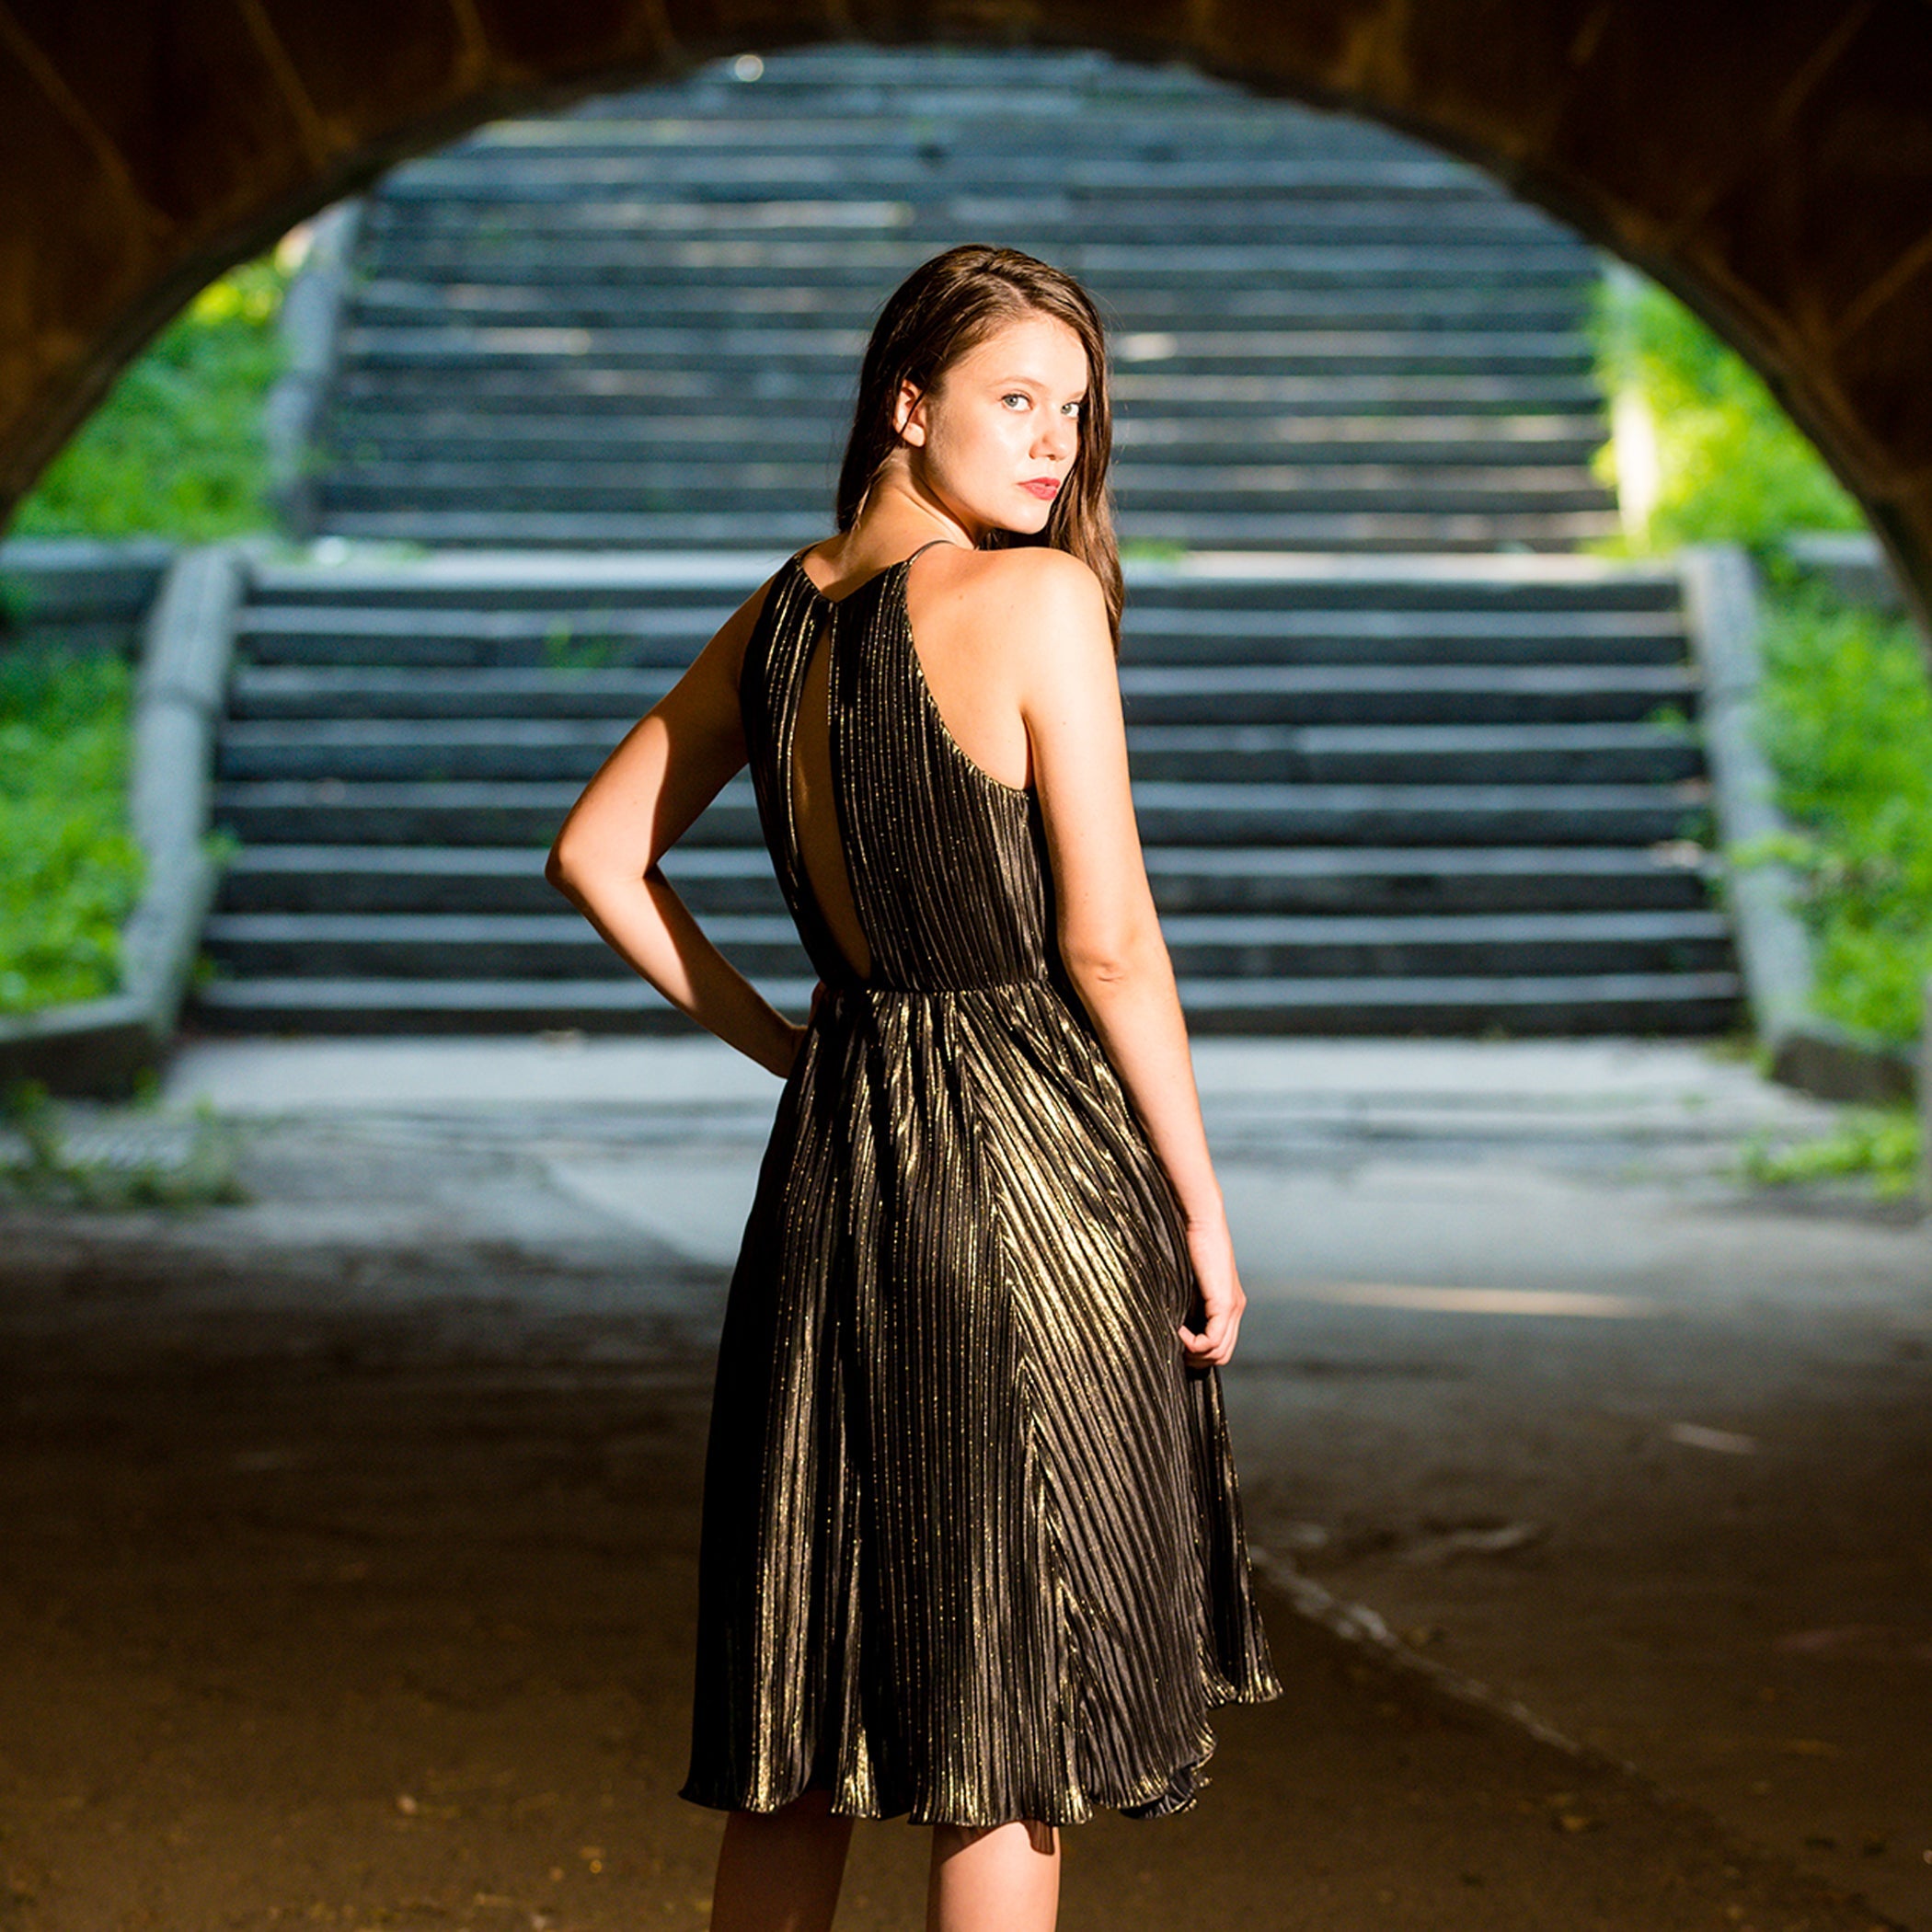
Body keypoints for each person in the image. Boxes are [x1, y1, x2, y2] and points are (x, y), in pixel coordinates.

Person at [545, 243, 1282, 1932]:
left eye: (1075, 416)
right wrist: (1199, 1200)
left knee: (805, 1709)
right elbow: (1109, 950)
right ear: (907, 403)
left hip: (832, 1172)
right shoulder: (1034, 604)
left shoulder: (781, 616)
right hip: (1030, 1180)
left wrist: (790, 1041)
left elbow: (598, 855)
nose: (1053, 448)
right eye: (1016, 402)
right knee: (1003, 1716)